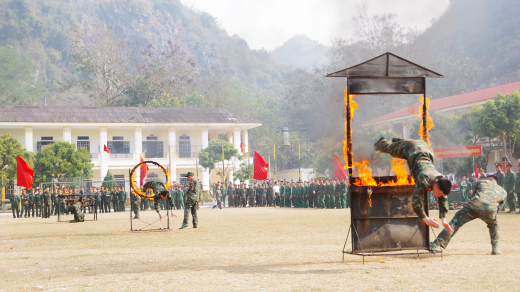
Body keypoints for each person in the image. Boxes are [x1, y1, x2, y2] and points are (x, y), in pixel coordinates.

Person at [375, 137, 453, 230]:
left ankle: (398, 141)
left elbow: (443, 198)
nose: (439, 196)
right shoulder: (424, 179)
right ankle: (380, 142)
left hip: (425, 149)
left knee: (401, 145)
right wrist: (426, 219)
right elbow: (416, 203)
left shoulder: (440, 180)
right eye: (439, 194)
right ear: (435, 186)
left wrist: (443, 220)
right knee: (389, 149)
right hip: (413, 149)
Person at [430, 175, 506, 255]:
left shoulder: (481, 182)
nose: (484, 179)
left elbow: (474, 194)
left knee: (455, 223)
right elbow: (499, 208)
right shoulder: (503, 191)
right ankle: (495, 248)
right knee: (494, 225)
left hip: (474, 206)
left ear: (490, 179)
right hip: (490, 210)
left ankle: (435, 244)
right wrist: (493, 217)